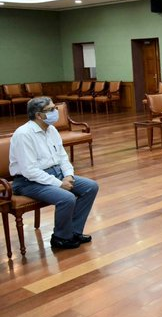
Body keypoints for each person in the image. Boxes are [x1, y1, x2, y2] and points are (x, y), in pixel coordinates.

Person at [9, 97, 99, 249]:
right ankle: (60, 237)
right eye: (51, 110)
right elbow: (29, 171)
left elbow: (62, 157)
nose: (55, 112)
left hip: (54, 174)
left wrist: (68, 175)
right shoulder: (23, 134)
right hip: (27, 181)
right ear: (38, 115)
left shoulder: (51, 129)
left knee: (91, 186)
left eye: (55, 108)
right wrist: (59, 183)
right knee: (67, 198)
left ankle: (73, 232)